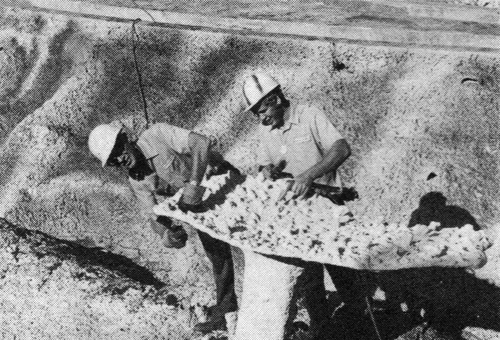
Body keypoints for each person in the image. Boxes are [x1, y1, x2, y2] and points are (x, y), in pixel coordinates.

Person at [242, 73, 371, 339]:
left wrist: (309, 175)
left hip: (328, 209)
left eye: (263, 110)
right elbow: (266, 163)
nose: (261, 118)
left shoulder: (309, 116)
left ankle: (362, 329)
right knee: (311, 284)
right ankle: (322, 332)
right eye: (256, 113)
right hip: (296, 218)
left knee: (344, 274)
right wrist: (268, 170)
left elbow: (341, 149)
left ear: (276, 99)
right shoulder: (266, 129)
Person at [88, 122, 238, 333]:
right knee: (217, 255)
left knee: (257, 243)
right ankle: (227, 310)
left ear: (126, 139)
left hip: (225, 184)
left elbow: (201, 143)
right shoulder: (137, 179)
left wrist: (194, 185)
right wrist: (167, 233)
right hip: (202, 207)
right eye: (113, 160)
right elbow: (153, 216)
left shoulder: (157, 135)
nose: (119, 159)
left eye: (118, 150)